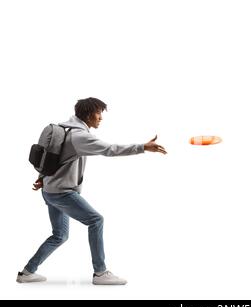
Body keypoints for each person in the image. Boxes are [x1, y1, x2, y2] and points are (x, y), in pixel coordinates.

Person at [17, 97, 167, 285]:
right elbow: (110, 149)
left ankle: (27, 272)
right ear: (88, 115)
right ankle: (100, 273)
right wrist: (142, 147)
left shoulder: (64, 129)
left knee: (60, 235)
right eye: (99, 113)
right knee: (96, 220)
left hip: (49, 190)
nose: (101, 118)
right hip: (62, 193)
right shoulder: (80, 136)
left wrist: (42, 178)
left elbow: (51, 159)